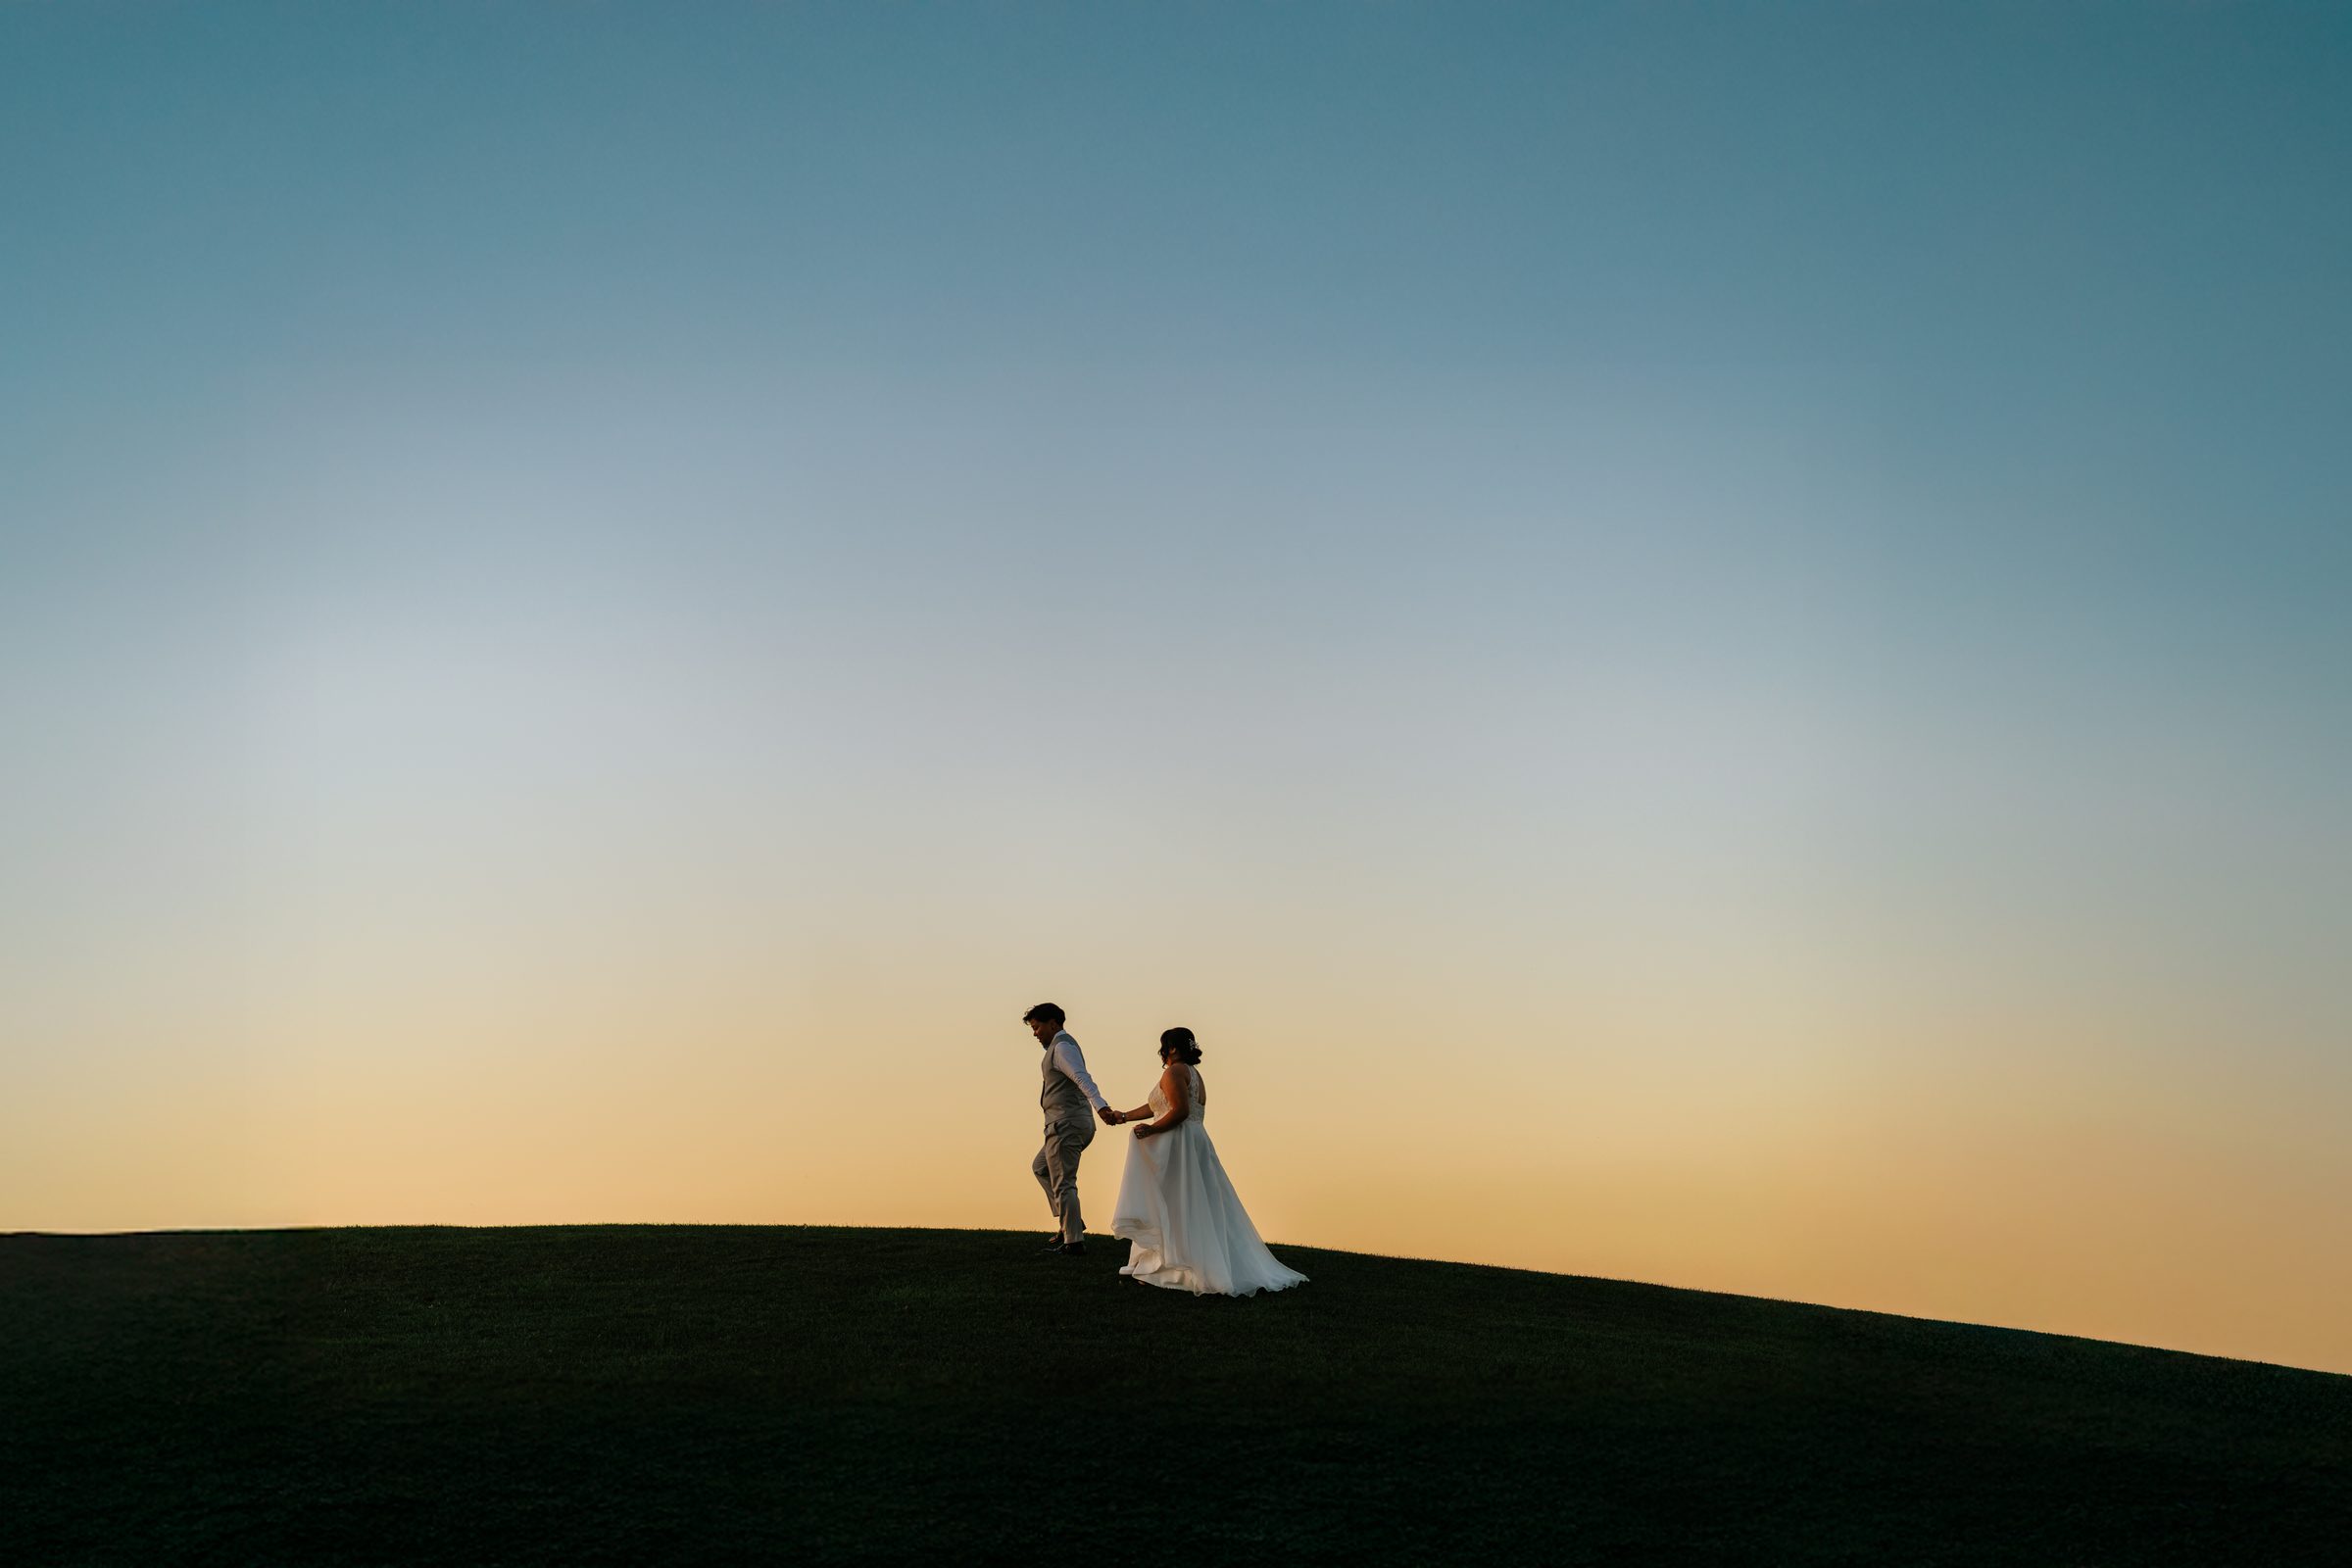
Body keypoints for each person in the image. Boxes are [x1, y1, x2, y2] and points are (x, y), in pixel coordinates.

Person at [1106, 1027, 1308, 1296]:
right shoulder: (1193, 1074)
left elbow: (1179, 1111)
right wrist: (1124, 1117)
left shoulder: (1174, 1072)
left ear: (1173, 1048)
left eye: (1164, 1047)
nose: (1162, 1053)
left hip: (1177, 1143)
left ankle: (1174, 1268)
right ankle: (1171, 1262)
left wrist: (1152, 1130)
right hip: (1195, 1140)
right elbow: (1158, 1106)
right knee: (1194, 1202)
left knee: (1172, 1201)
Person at [1023, 1003, 1118, 1255]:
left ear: (1053, 1023)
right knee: (1041, 1167)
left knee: (1064, 1181)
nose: (1035, 1033)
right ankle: (1070, 1223)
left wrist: (1101, 1106)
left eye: (1037, 1027)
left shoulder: (1063, 1047)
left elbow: (1081, 1077)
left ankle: (1073, 1242)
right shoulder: (1060, 1047)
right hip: (1067, 1123)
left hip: (1066, 1123)